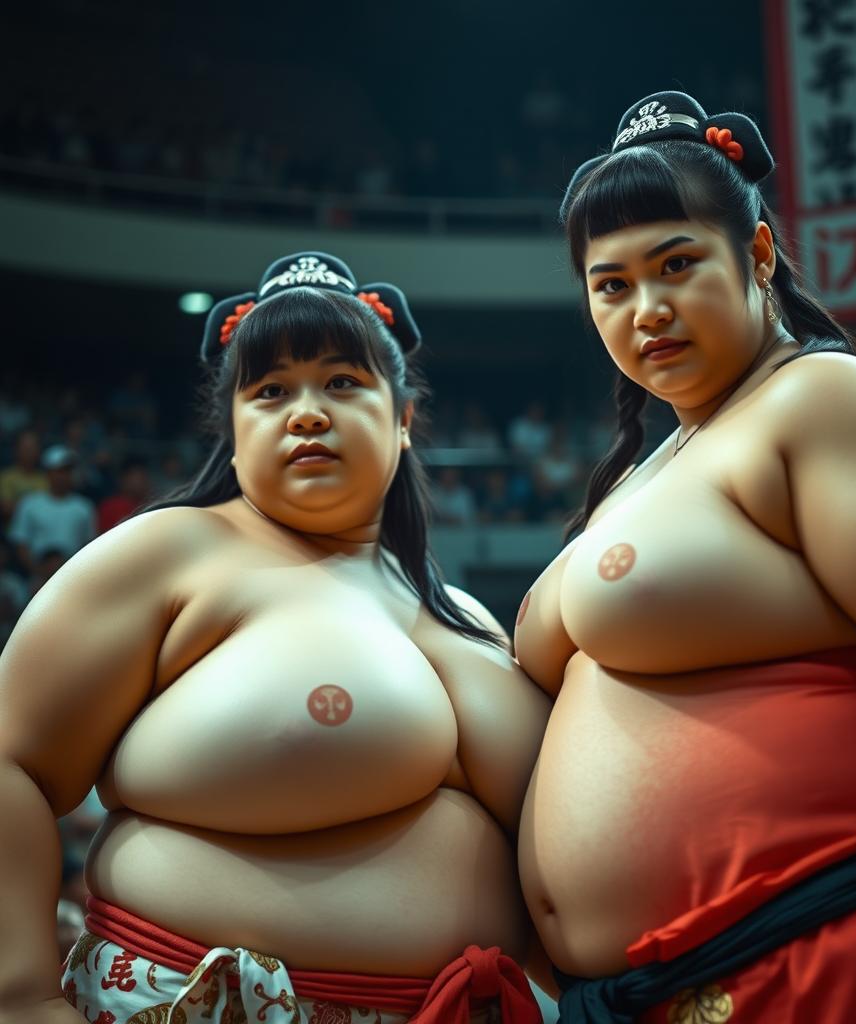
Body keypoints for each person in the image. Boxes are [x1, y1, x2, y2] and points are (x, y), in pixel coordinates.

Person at [513, 92, 856, 1023]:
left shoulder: (819, 398)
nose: (647, 308)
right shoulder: (648, 467)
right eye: (612, 284)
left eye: (677, 265)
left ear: (754, 254)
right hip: (654, 986)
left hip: (839, 933)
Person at [0, 251, 550, 1024]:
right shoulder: (171, 552)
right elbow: (10, 756)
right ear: (232, 428)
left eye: (342, 382)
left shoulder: (465, 613)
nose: (307, 412)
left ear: (403, 420)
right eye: (270, 392)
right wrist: (19, 995)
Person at [7, 445, 95, 575]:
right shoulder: (30, 503)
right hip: (35, 577)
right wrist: (37, 572)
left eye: (67, 470)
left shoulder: (84, 507)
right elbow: (21, 544)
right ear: (48, 472)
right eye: (58, 470)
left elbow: (88, 546)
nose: (63, 475)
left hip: (72, 576)